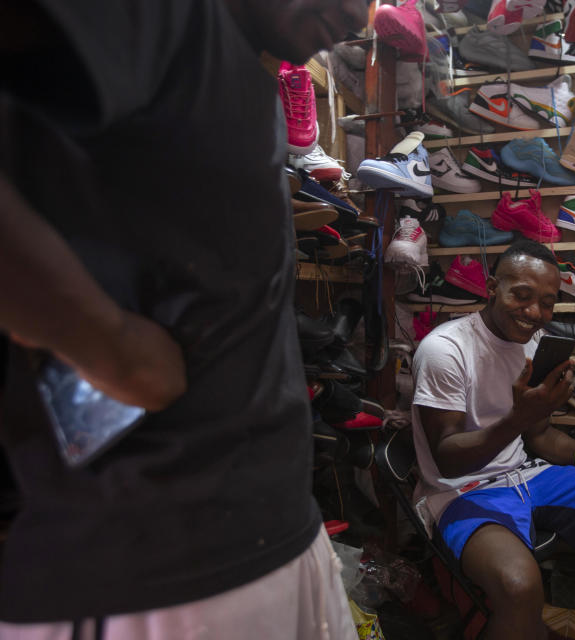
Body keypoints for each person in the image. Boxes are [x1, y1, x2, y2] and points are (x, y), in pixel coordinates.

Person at [0, 0, 367, 637]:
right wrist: (104, 344)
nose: (358, 13)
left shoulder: (236, 66)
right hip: (157, 567)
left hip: (264, 536)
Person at [411, 239, 575, 640]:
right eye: (521, 295)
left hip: (524, 475)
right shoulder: (444, 349)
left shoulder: (531, 345)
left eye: (547, 303)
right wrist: (519, 418)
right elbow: (448, 458)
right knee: (521, 585)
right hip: (459, 492)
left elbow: (539, 434)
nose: (535, 313)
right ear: (490, 288)